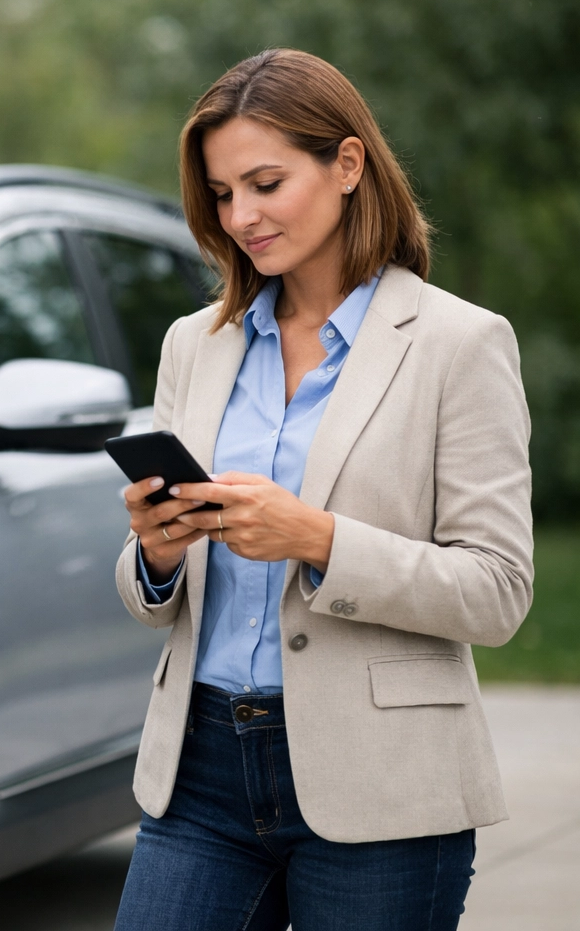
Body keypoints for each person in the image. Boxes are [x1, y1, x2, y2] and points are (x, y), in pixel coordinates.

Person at [111, 48, 533, 930]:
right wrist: (154, 553)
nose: (243, 216)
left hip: (383, 784)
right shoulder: (198, 342)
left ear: (347, 165)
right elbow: (153, 597)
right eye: (224, 195)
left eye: (265, 183)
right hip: (200, 770)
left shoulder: (459, 343)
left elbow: (497, 593)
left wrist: (319, 540)